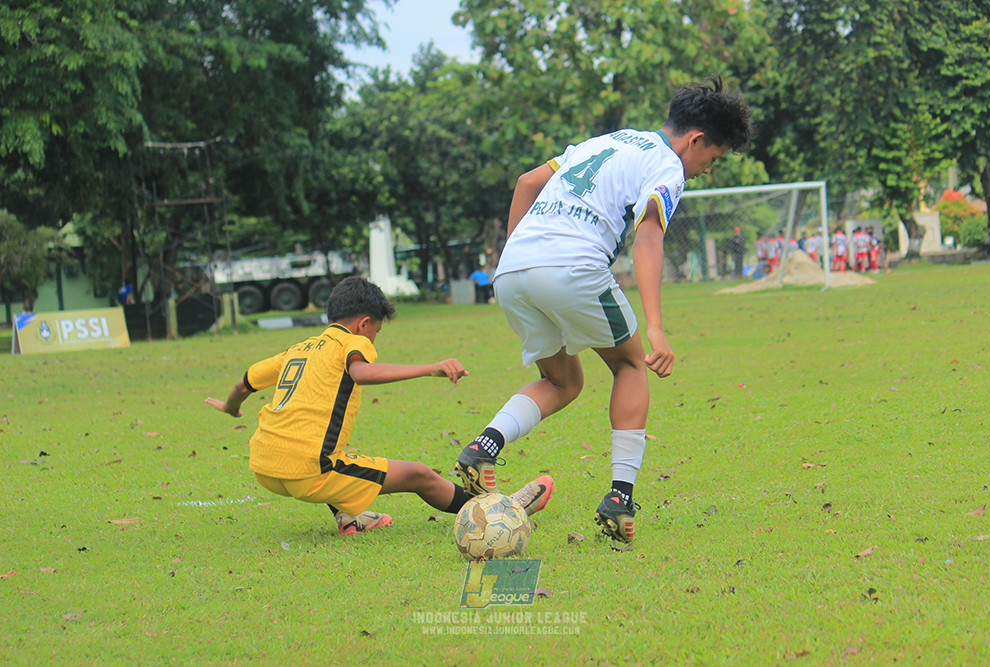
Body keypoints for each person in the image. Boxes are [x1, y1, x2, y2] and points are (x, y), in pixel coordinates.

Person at [453, 76, 753, 543]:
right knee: (631, 363)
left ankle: (482, 447)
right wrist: (655, 327)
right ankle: (620, 498)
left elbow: (527, 181)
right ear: (695, 140)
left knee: (564, 381)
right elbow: (649, 235)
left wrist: (516, 254)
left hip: (511, 270)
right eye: (711, 159)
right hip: (573, 266)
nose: (706, 171)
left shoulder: (605, 141)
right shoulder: (667, 165)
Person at [206, 277, 553, 535]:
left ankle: (349, 518)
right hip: (307, 471)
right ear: (364, 323)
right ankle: (497, 513)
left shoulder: (297, 349)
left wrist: (228, 407)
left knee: (343, 454)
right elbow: (360, 372)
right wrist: (430, 368)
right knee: (418, 474)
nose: (373, 339)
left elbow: (243, 384)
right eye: (376, 331)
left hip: (264, 466)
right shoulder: (353, 342)